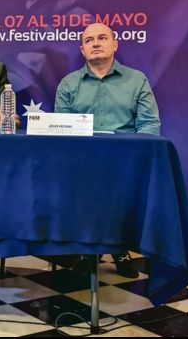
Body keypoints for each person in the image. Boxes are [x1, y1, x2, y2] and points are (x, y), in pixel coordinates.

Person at [54, 22, 160, 278]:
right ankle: (88, 250)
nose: (96, 43)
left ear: (115, 44)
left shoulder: (136, 80)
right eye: (89, 40)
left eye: (102, 38)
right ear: (82, 49)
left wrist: (134, 155)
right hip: (82, 161)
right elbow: (61, 128)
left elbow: (149, 123)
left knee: (118, 189)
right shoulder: (68, 84)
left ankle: (119, 248)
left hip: (125, 160)